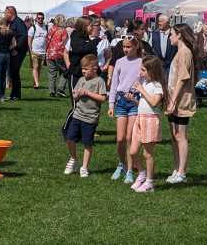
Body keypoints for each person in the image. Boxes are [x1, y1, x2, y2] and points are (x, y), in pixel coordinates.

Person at [127, 55, 169, 193]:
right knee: (133, 151)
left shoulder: (157, 86)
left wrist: (141, 90)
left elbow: (154, 103)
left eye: (143, 70)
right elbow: (145, 104)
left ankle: (149, 183)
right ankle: (142, 174)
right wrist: (134, 99)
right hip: (140, 118)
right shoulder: (145, 84)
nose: (141, 73)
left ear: (152, 71)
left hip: (150, 120)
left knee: (147, 154)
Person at [63, 55, 107, 178]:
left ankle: (84, 167)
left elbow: (103, 98)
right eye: (83, 69)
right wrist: (78, 94)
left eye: (86, 69)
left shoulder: (99, 81)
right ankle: (73, 159)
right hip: (78, 115)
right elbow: (75, 96)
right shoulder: (81, 80)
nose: (83, 71)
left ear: (94, 68)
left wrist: (88, 93)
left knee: (87, 143)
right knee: (70, 138)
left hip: (91, 117)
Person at [108, 34, 143, 184]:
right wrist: (111, 104)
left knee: (130, 137)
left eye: (129, 46)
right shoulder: (120, 62)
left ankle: (130, 170)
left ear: (136, 46)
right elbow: (114, 84)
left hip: (134, 100)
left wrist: (138, 96)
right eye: (124, 47)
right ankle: (121, 164)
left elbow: (145, 82)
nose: (126, 49)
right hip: (121, 101)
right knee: (120, 138)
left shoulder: (142, 62)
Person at [166, 23, 198, 184]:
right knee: (174, 135)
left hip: (181, 101)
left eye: (171, 34)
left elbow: (182, 79)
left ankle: (182, 172)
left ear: (179, 35)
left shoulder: (185, 53)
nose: (169, 37)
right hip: (174, 99)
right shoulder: (180, 53)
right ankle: (177, 168)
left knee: (180, 136)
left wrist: (173, 101)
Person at [64, 16, 101, 91]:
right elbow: (82, 49)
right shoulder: (76, 36)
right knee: (77, 99)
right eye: (91, 26)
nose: (92, 28)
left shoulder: (86, 38)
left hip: (88, 74)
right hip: (76, 74)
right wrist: (97, 40)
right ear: (84, 27)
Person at [4, 6, 29, 101]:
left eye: (5, 13)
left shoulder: (18, 22)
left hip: (18, 51)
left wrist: (17, 48)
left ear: (11, 13)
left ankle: (17, 94)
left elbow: (23, 36)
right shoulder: (8, 23)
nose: (4, 15)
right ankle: (13, 93)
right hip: (11, 50)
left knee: (14, 71)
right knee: (11, 72)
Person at [45, 13, 69, 97]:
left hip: (50, 53)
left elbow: (46, 40)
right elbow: (65, 43)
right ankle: (60, 88)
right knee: (64, 71)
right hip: (60, 53)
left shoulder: (51, 29)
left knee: (51, 73)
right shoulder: (63, 30)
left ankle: (52, 91)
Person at [28, 12, 48, 89]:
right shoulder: (33, 28)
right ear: (36, 19)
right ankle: (37, 83)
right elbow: (29, 40)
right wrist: (30, 50)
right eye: (39, 18)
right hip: (35, 50)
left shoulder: (46, 28)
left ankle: (35, 81)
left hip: (43, 51)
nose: (40, 20)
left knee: (39, 68)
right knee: (35, 67)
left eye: (42, 18)